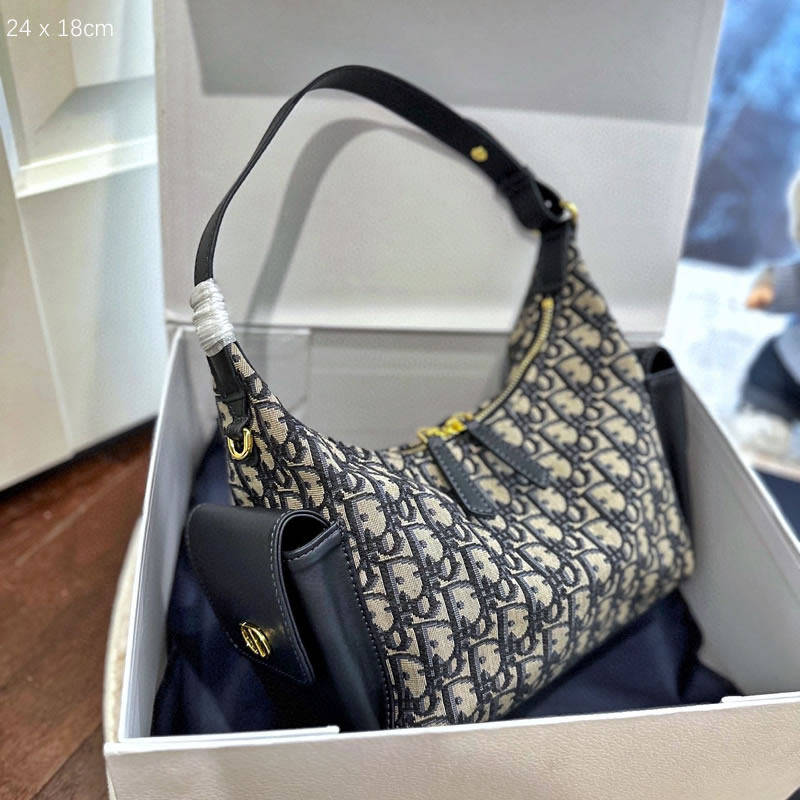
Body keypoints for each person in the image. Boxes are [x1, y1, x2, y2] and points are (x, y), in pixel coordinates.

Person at [733, 174, 800, 463]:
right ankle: (764, 425)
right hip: (788, 364)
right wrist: (767, 289)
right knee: (768, 393)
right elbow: (787, 280)